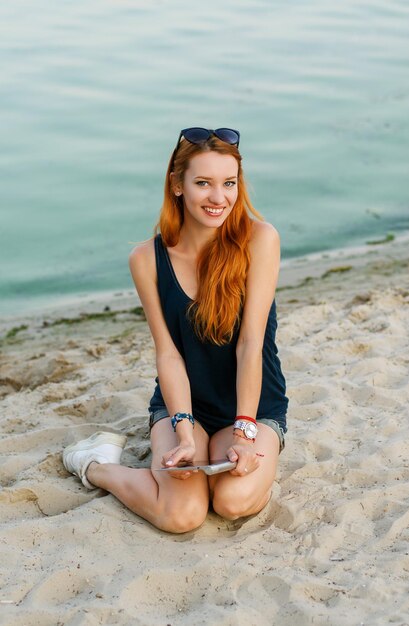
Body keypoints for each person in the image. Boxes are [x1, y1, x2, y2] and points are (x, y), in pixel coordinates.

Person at [63, 127, 288, 533]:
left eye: (228, 183)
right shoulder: (147, 259)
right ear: (178, 185)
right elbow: (168, 354)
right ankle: (97, 466)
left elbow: (250, 345)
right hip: (182, 406)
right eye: (203, 183)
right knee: (182, 516)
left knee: (232, 501)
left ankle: (246, 455)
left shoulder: (260, 240)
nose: (218, 198)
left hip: (253, 407)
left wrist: (245, 431)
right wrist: (184, 434)